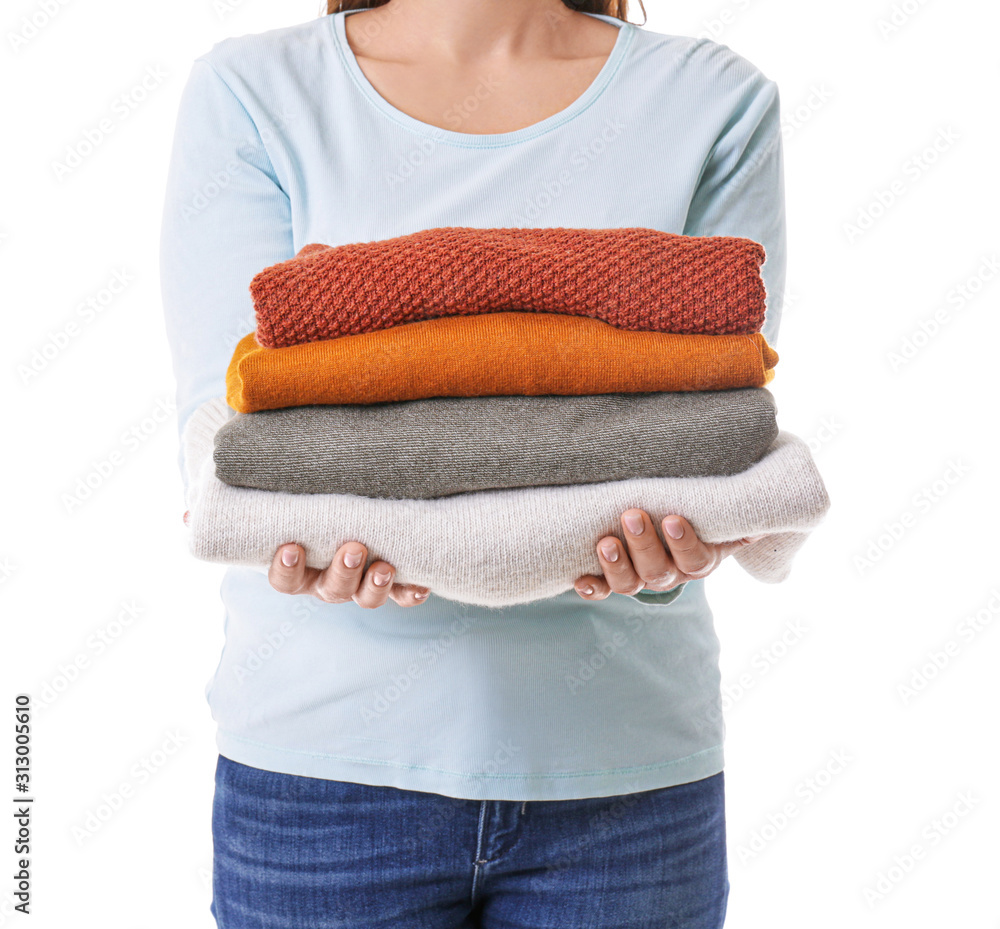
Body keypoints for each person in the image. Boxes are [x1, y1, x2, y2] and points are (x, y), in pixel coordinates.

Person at [159, 0, 786, 925]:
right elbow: (229, 444)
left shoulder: (711, 99)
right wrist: (302, 533)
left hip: (628, 783)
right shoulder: (255, 93)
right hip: (320, 780)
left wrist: (685, 544)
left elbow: (719, 429)